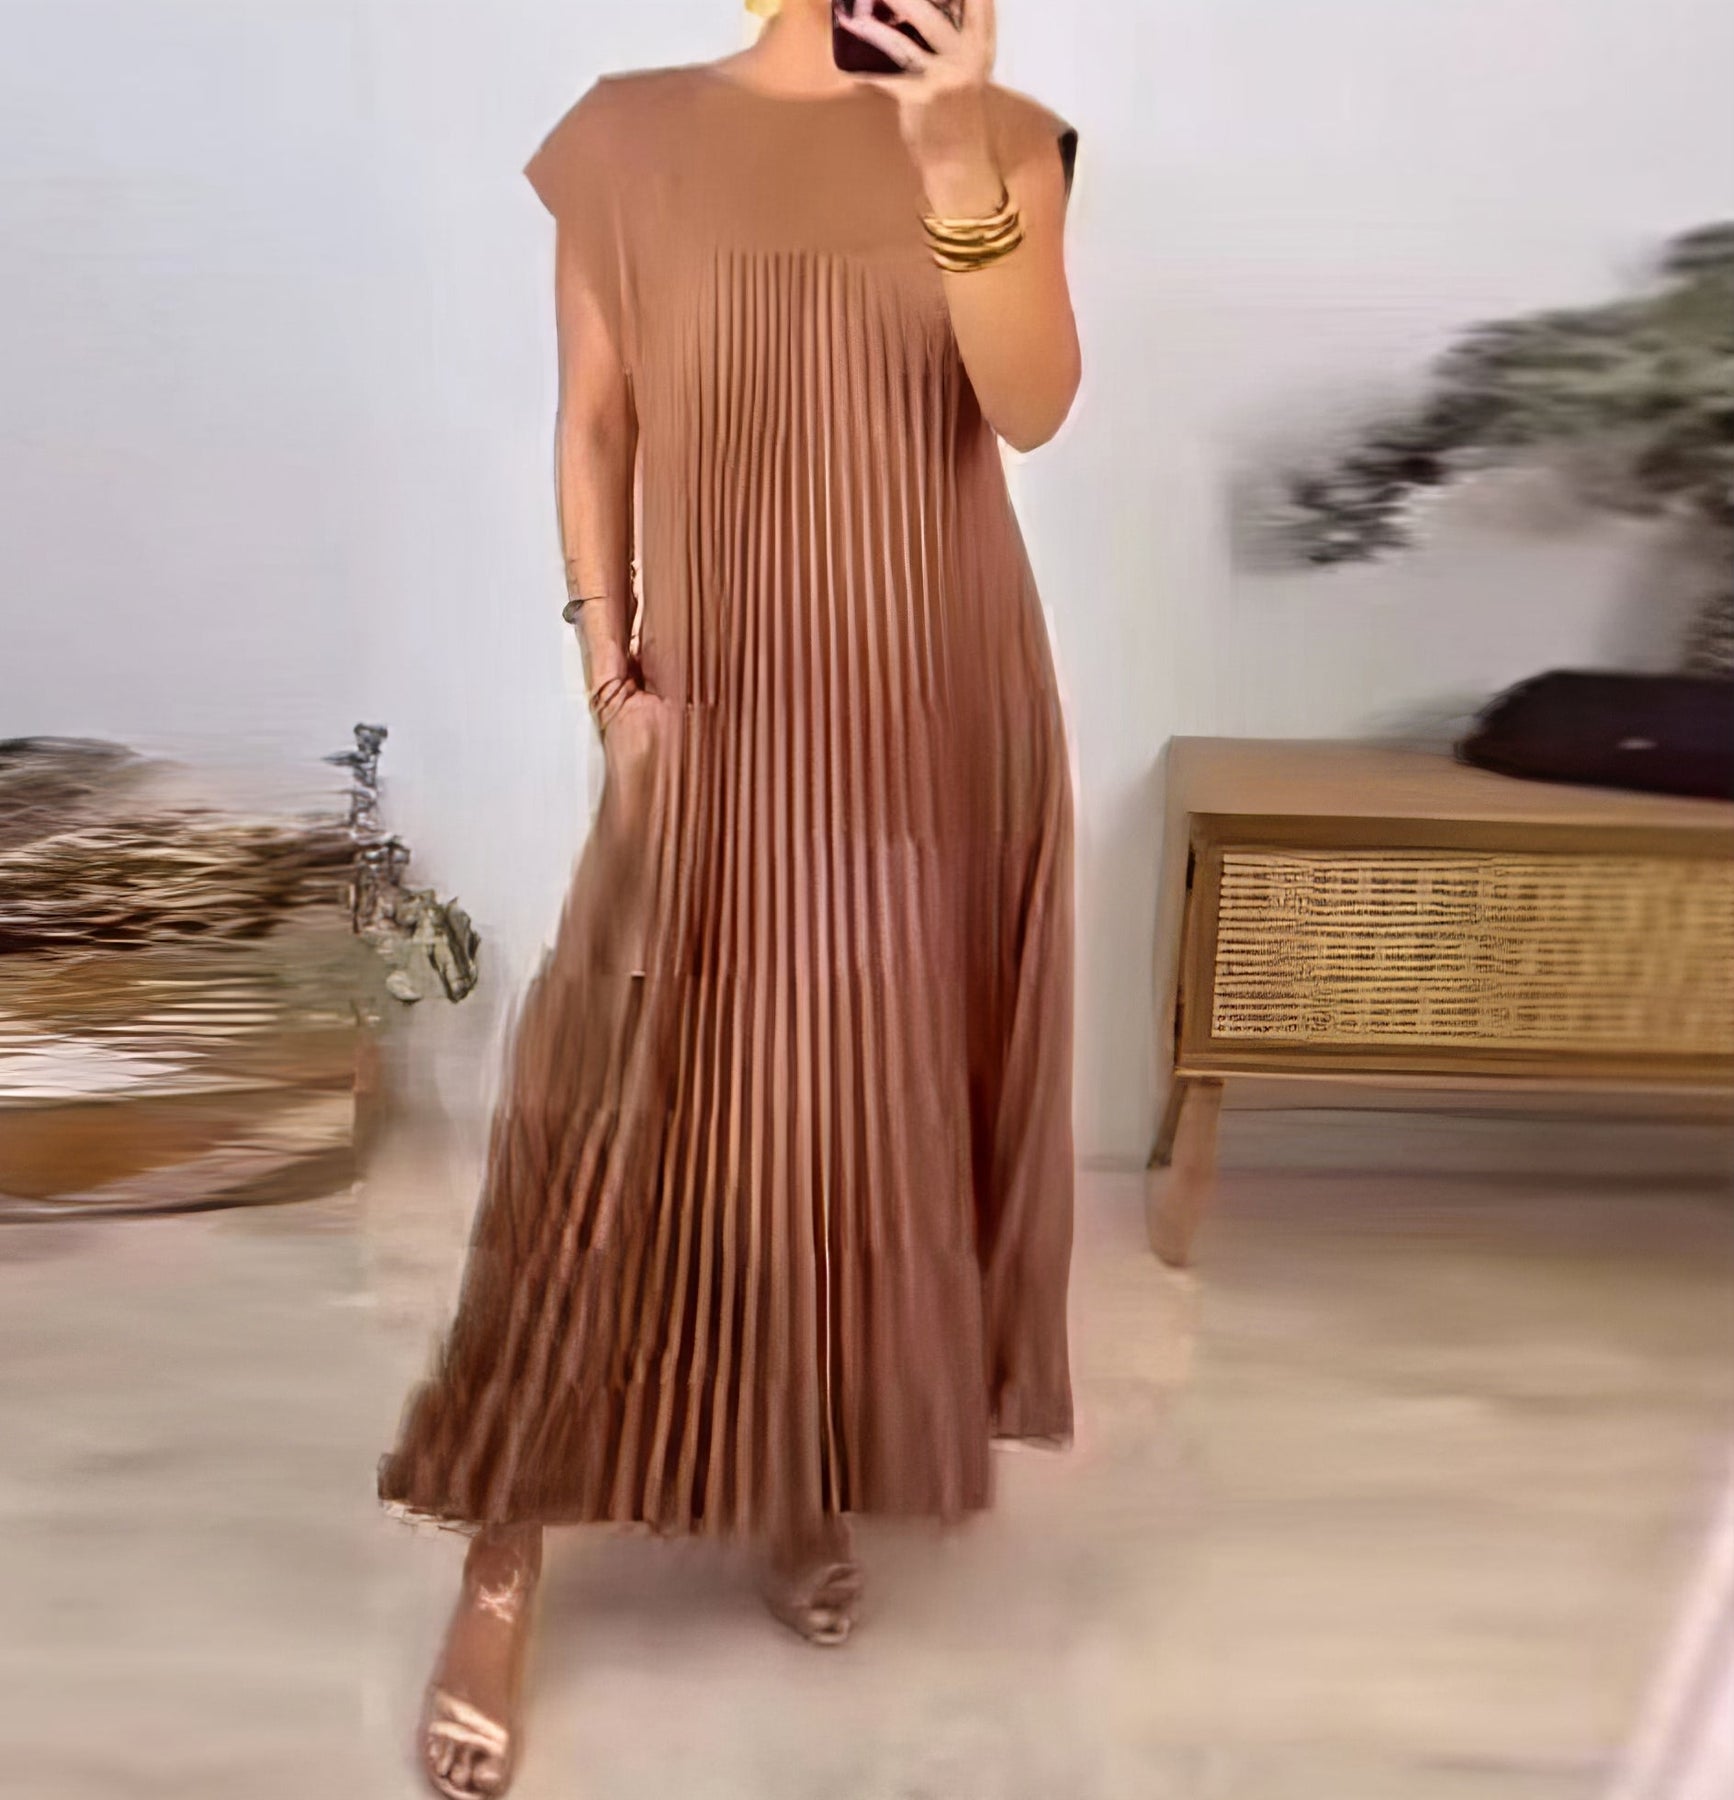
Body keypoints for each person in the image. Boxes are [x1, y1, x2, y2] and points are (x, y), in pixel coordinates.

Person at [377, 2, 1082, 1793]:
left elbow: (1029, 406)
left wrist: (949, 150)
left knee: (844, 1105)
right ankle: (503, 1553)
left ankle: (790, 1467)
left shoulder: (1005, 135)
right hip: (721, 706)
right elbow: (594, 423)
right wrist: (607, 676)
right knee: (617, 1109)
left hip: (934, 708)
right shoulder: (627, 135)